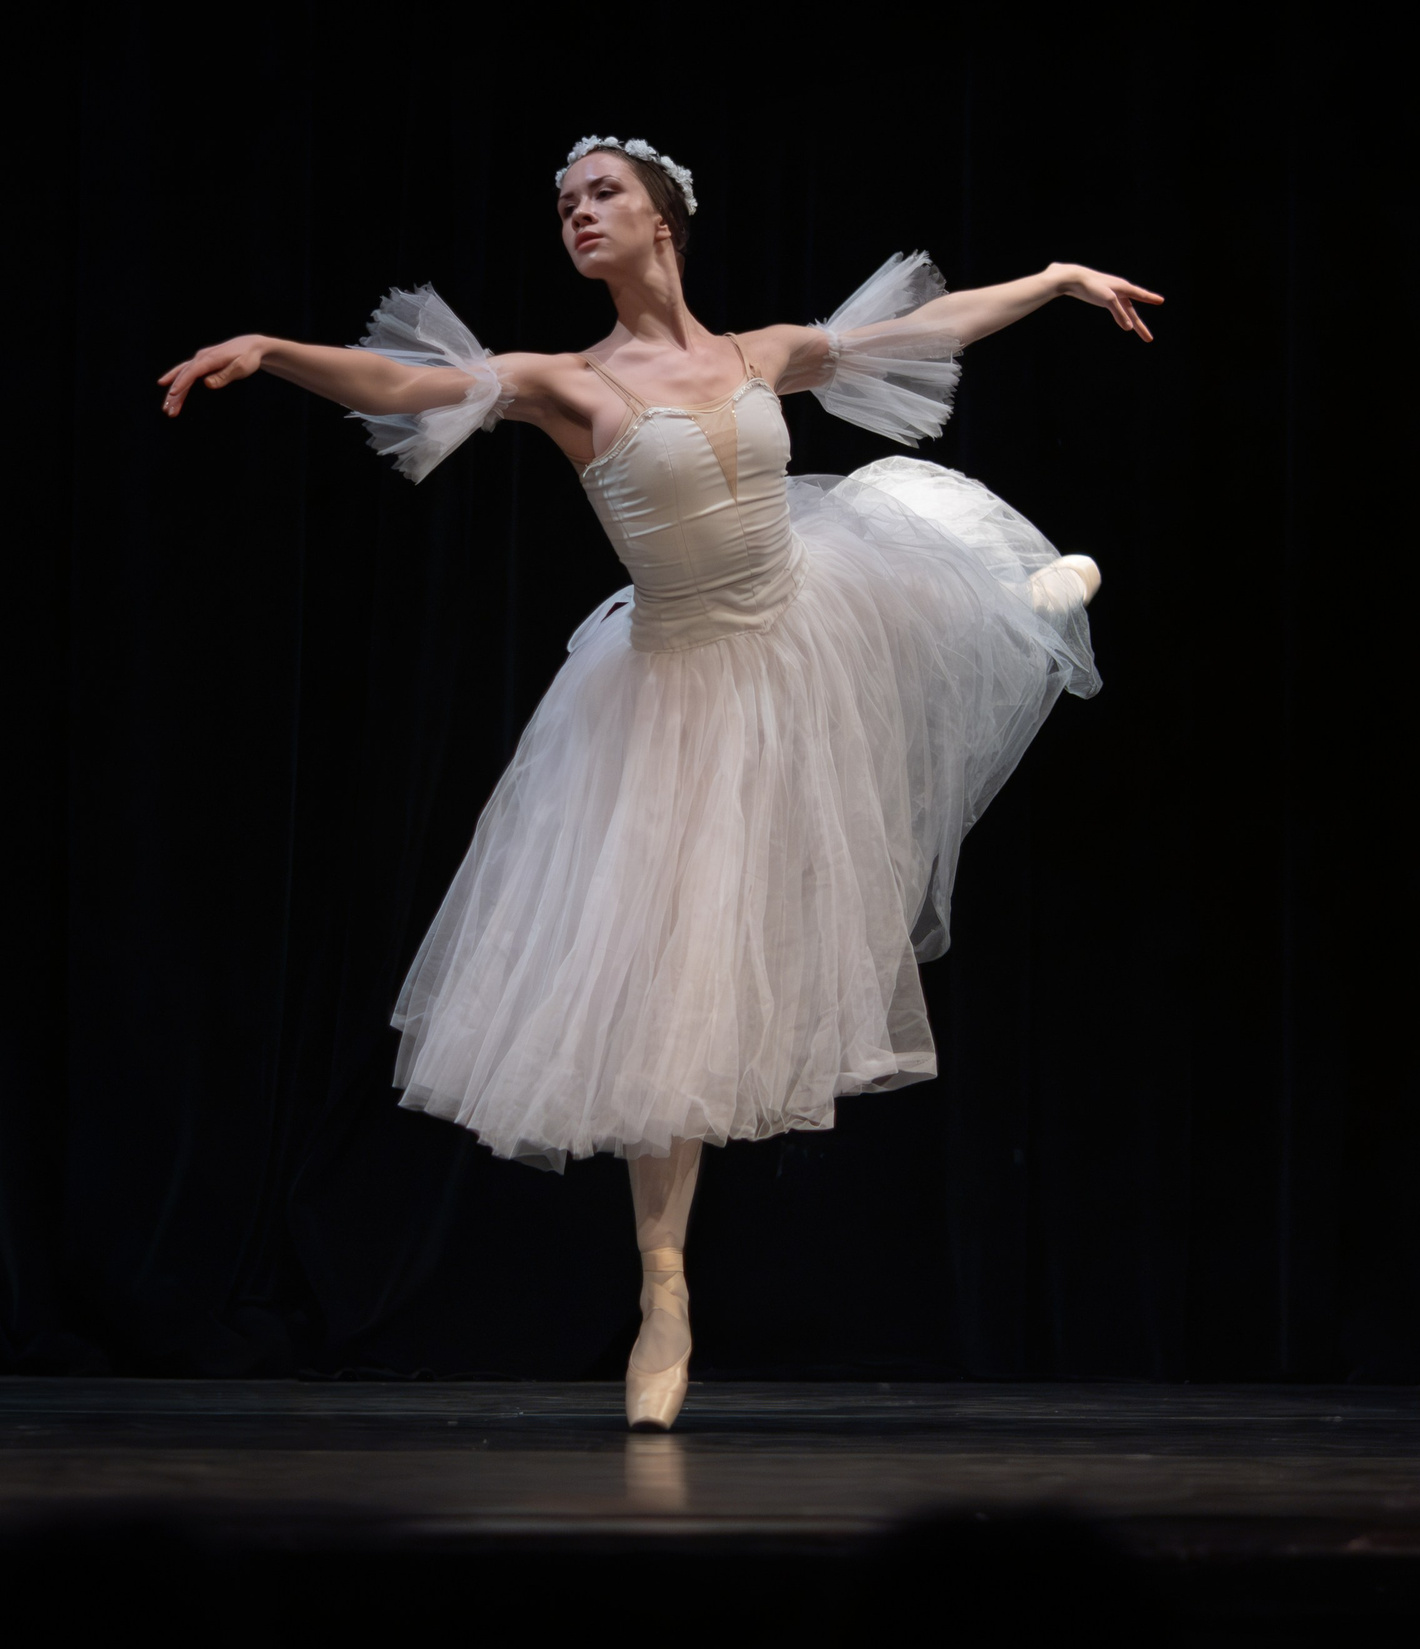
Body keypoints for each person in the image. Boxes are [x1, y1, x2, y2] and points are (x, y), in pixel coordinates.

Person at [157, 135, 1164, 1428]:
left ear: (663, 222)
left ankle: (1013, 606)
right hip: (677, 689)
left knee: (914, 525)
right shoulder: (566, 383)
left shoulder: (762, 354)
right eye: (565, 203)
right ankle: (667, 1283)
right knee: (674, 992)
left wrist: (1053, 276)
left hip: (804, 621)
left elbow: (926, 328)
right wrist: (277, 353)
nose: (578, 214)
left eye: (602, 195)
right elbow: (408, 385)